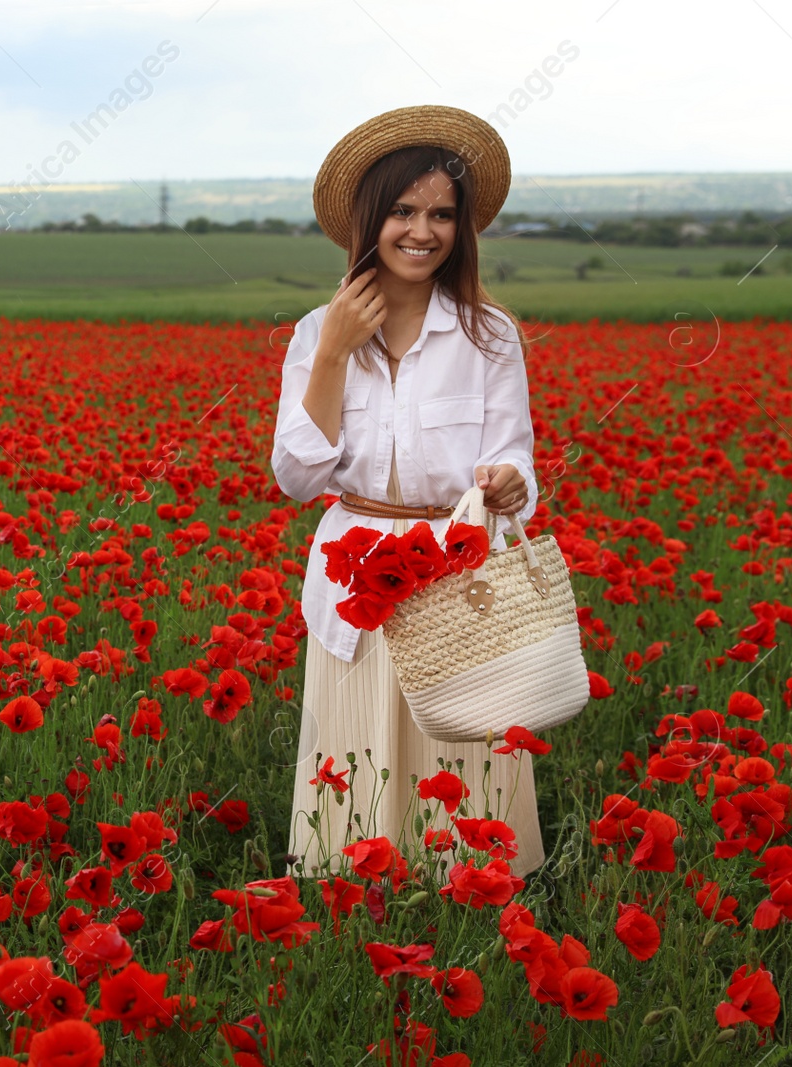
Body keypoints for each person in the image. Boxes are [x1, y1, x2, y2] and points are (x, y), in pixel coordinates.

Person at [272, 105, 546, 881]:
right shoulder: (312, 334)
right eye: (402, 210)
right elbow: (297, 478)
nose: (421, 230)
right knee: (356, 751)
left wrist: (508, 481)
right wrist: (331, 354)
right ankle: (345, 901)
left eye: (440, 214)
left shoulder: (489, 335)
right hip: (352, 581)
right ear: (369, 219)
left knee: (461, 755)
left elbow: (518, 464)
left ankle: (471, 902)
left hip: (457, 576)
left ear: (461, 228)